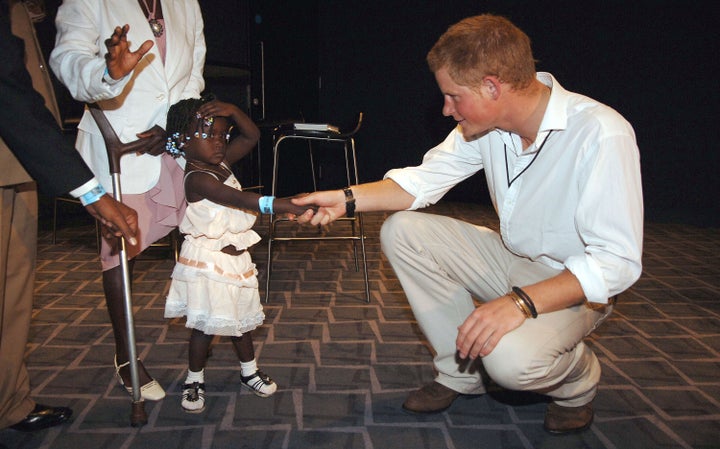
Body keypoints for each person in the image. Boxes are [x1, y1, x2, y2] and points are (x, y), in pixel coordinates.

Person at [293, 14, 643, 434]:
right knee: (402, 230)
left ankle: (578, 382)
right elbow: (421, 181)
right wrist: (345, 199)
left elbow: (617, 263)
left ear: (493, 86)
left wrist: (520, 304)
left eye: (453, 97)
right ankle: (462, 374)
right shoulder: (484, 128)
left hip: (574, 288)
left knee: (511, 365)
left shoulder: (600, 133)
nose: (446, 109)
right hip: (511, 258)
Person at [49, 0, 206, 401]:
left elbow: (192, 74)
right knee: (118, 251)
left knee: (208, 231)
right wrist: (107, 72)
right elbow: (67, 60)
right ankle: (126, 353)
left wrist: (174, 129)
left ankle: (219, 325)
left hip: (170, 143)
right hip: (121, 146)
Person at [1, 0, 138, 432]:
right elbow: (8, 88)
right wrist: (92, 192)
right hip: (14, 153)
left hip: (20, 163)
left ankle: (10, 403)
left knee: (13, 294)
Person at [163, 95, 312, 413]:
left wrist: (233, 111)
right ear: (182, 142)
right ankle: (194, 379)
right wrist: (288, 205)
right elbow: (245, 201)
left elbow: (252, 136)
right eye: (207, 135)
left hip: (236, 259)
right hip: (209, 261)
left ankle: (249, 372)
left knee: (241, 322)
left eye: (222, 135)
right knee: (205, 327)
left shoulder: (220, 163)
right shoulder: (199, 177)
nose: (218, 142)